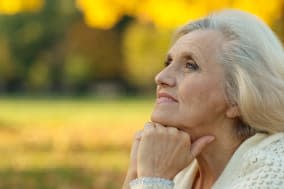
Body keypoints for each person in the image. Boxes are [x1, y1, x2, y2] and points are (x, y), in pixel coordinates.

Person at [123, 9, 284, 189]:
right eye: (168, 63)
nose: (161, 77)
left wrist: (152, 180)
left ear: (237, 96)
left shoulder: (275, 171)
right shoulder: (174, 160)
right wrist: (135, 173)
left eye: (190, 66)